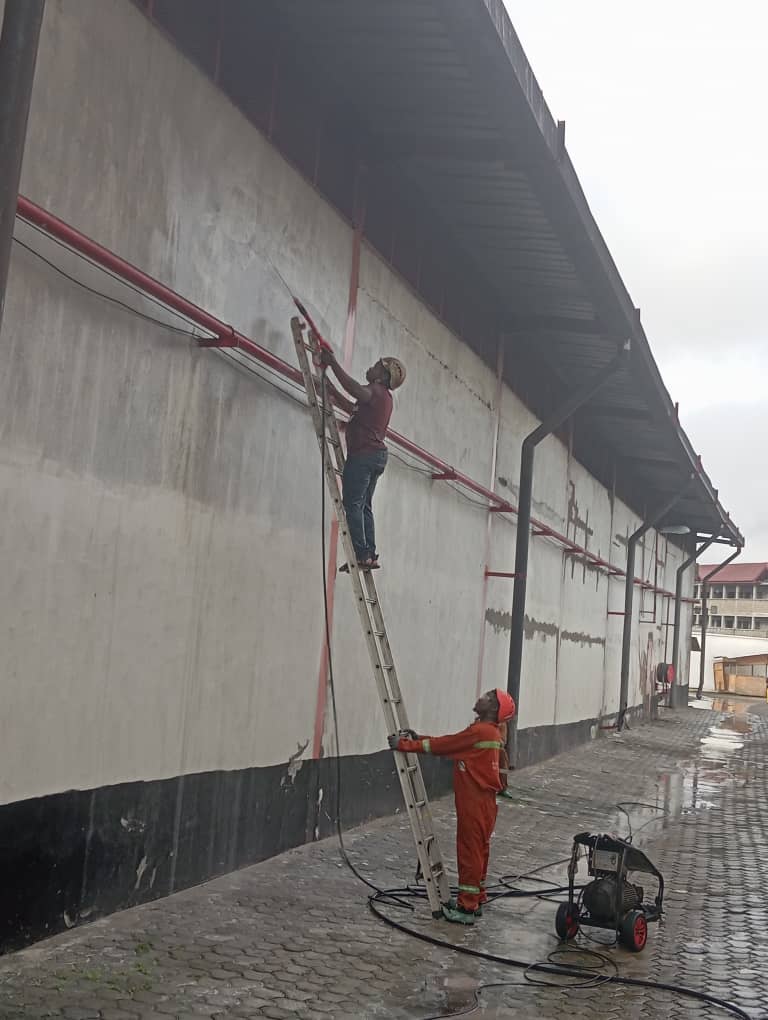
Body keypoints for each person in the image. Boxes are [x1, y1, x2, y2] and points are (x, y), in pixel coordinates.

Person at [388, 688, 516, 925]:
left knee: (470, 852)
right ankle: (477, 899)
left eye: (488, 697)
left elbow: (446, 745)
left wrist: (406, 745)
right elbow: (454, 744)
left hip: (474, 801)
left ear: (494, 709)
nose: (481, 697)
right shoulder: (489, 732)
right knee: (480, 851)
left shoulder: (480, 732)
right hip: (485, 802)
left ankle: (466, 908)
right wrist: (420, 738)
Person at [319, 348, 406, 570]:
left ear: (383, 375)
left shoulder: (376, 391)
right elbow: (351, 407)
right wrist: (331, 391)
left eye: (377, 365)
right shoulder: (382, 398)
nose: (371, 367)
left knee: (353, 504)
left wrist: (333, 364)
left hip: (364, 455)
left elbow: (353, 389)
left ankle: (362, 554)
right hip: (375, 457)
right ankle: (369, 554)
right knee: (364, 505)